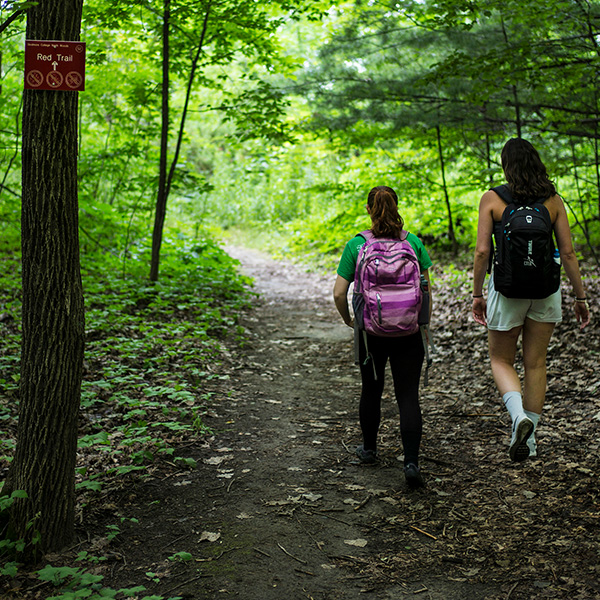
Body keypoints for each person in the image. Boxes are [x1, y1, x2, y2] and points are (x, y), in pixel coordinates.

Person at [472, 138, 590, 462]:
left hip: (507, 290)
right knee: (536, 363)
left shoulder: (493, 199)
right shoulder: (552, 201)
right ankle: (531, 438)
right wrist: (581, 298)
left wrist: (477, 293)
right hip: (545, 291)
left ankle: (517, 417)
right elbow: (567, 252)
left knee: (500, 360)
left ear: (506, 165)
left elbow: (483, 251)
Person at [333, 185, 433, 487]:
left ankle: (369, 450)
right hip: (409, 331)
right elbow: (426, 289)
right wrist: (421, 323)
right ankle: (412, 462)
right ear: (397, 207)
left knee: (371, 390)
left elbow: (339, 292)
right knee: (407, 395)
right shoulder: (413, 243)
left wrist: (351, 320)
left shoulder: (356, 245)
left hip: (371, 333)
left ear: (368, 210)